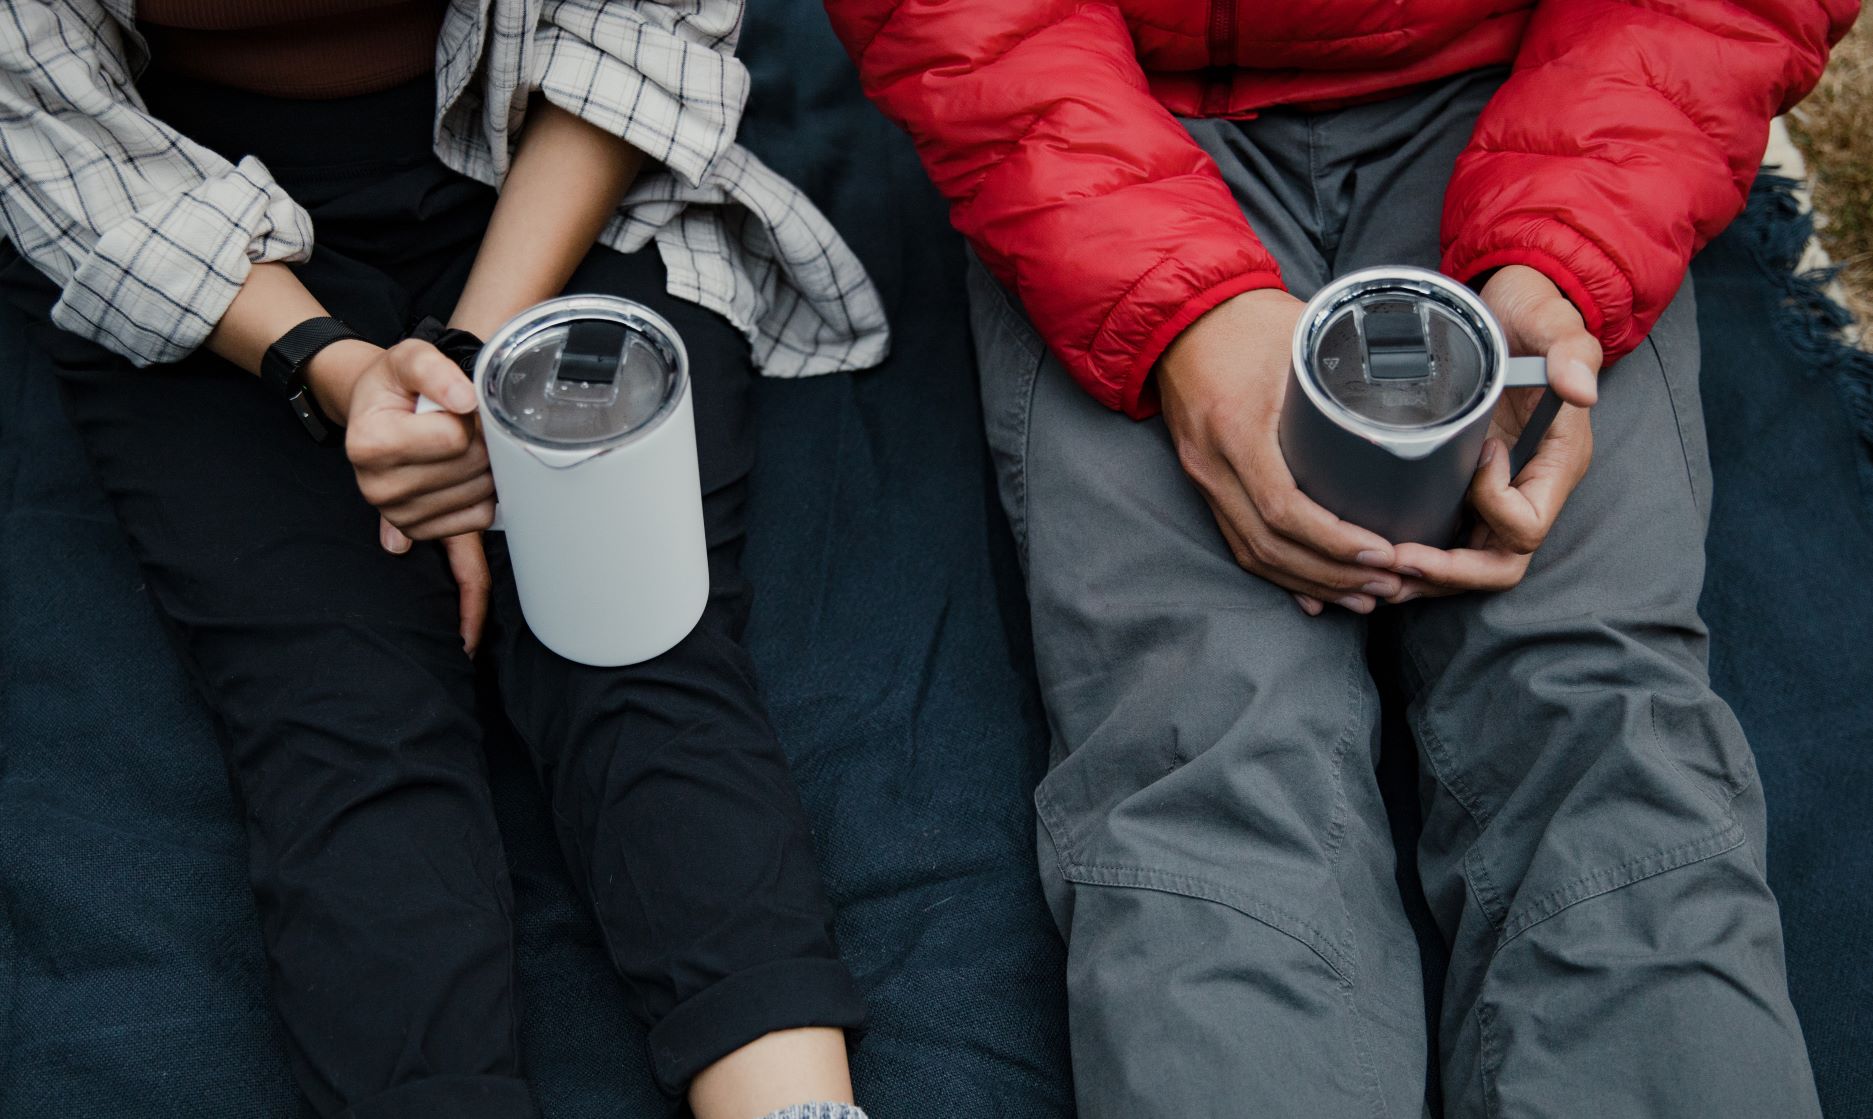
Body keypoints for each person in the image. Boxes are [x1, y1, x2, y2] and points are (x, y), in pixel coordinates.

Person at [825, 0, 1858, 1115]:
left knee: (1600, 716)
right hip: (1100, 109)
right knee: (1200, 722)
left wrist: (1575, 241)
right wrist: (1170, 302)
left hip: (1553, 89)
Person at [0, 2, 889, 1117]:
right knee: (340, 705)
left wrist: (466, 370)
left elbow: (635, 33)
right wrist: (331, 371)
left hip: (557, 173)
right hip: (184, 229)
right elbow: (44, 123)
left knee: (630, 634)